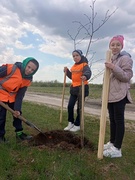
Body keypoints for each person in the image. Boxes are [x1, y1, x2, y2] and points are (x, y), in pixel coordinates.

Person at [103, 35, 133, 158]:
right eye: (112, 45)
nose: (115, 47)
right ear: (110, 46)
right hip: (110, 94)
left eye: (118, 45)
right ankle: (112, 142)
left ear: (121, 46)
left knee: (119, 120)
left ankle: (117, 148)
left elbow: (127, 76)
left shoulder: (125, 58)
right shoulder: (111, 58)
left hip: (120, 93)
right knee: (113, 120)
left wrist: (113, 67)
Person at [0, 57, 39, 142]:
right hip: (1, 93)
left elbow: (20, 95)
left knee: (18, 114)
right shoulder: (11, 68)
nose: (29, 70)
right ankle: (0, 137)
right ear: (25, 64)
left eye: (32, 70)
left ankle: (19, 134)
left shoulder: (28, 79)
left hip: (12, 96)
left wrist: (17, 109)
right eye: (29, 67)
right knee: (1, 116)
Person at [64, 49, 92, 132]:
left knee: (79, 108)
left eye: (77, 55)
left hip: (82, 88)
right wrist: (67, 72)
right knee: (70, 106)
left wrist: (85, 76)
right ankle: (71, 122)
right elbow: (72, 77)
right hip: (74, 88)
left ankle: (77, 124)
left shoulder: (84, 65)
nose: (75, 57)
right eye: (73, 56)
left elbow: (88, 72)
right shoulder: (74, 66)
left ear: (81, 56)